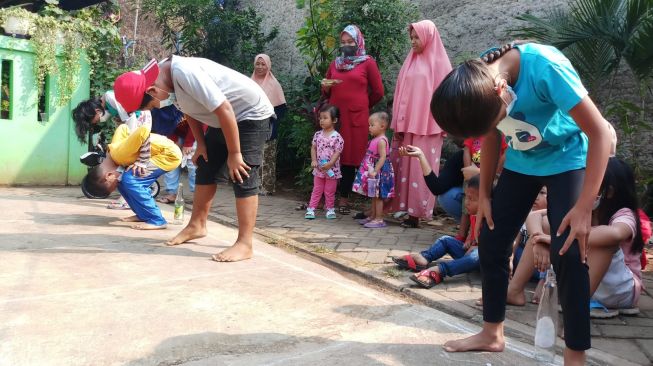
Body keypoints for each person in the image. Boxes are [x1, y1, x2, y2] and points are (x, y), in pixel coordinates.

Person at [430, 42, 612, 364]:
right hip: (522, 160)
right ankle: (492, 333)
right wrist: (484, 194)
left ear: (502, 89)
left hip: (567, 157)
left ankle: (574, 356)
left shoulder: (546, 69)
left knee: (568, 251)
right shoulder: (481, 78)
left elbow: (599, 132)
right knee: (491, 238)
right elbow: (492, 136)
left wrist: (584, 208)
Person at [114, 57, 274, 262]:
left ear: (152, 91)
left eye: (152, 107)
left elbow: (224, 108)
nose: (156, 109)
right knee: (205, 165)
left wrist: (234, 154)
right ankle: (196, 225)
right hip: (222, 118)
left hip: (250, 114)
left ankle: (245, 243)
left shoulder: (185, 74)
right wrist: (201, 144)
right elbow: (189, 109)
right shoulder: (165, 79)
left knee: (242, 173)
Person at [527, 158, 646, 317]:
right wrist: (538, 239)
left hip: (620, 290)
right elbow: (536, 216)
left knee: (605, 240)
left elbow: (616, 233)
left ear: (608, 192)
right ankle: (515, 289)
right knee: (551, 226)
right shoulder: (582, 209)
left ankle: (578, 307)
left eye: (589, 182)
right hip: (593, 283)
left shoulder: (624, 214)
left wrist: (556, 241)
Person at [389, 20, 452, 228]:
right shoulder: (411, 61)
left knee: (419, 167)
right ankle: (404, 209)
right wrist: (398, 121)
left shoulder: (440, 64)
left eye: (417, 37)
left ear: (428, 37)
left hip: (428, 126)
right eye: (412, 37)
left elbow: (447, 97)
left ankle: (417, 214)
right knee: (405, 164)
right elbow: (401, 93)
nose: (413, 41)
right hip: (408, 123)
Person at [322, 24, 384, 215]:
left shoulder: (368, 63)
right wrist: (325, 86)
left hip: (356, 118)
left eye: (350, 42)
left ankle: (344, 199)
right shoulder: (335, 63)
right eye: (343, 42)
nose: (346, 45)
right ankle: (327, 196)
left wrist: (364, 106)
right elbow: (326, 90)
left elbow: (379, 92)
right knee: (331, 154)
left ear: (358, 42)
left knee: (349, 158)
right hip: (335, 118)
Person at [82, 122, 181, 229]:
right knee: (122, 182)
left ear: (109, 176)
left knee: (131, 180)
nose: (115, 187)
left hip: (168, 155)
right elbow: (123, 128)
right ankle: (143, 215)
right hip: (160, 153)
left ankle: (157, 220)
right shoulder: (113, 153)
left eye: (112, 187)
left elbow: (143, 130)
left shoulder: (121, 154)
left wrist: (142, 161)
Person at [392, 174, 480, 287]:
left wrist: (478, 247)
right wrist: (469, 241)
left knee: (475, 256)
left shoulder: (493, 218)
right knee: (445, 240)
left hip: (481, 260)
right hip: (469, 254)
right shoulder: (473, 215)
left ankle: (440, 270)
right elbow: (474, 233)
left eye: (472, 199)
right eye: (466, 197)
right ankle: (424, 257)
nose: (467, 202)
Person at [251, 54, 287, 195]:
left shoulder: (274, 84)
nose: (260, 67)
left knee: (267, 158)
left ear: (268, 66)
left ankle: (266, 188)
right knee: (252, 157)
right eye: (257, 64)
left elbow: (282, 108)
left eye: (263, 64)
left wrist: (272, 122)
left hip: (268, 127)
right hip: (251, 127)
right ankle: (252, 187)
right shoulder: (250, 82)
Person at [351, 112, 395, 228]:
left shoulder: (381, 140)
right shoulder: (375, 139)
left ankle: (379, 219)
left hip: (379, 172)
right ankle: (373, 216)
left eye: (371, 125)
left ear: (382, 126)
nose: (369, 127)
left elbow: (383, 157)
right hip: (373, 171)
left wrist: (375, 171)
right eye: (369, 125)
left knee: (378, 196)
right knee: (374, 195)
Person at [305, 104, 344, 220]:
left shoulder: (338, 137)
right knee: (317, 189)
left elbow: (337, 152)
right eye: (320, 118)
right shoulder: (317, 135)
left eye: (325, 118)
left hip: (332, 170)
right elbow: (313, 148)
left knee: (329, 191)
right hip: (319, 170)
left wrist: (330, 164)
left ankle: (330, 209)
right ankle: (311, 209)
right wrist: (314, 160)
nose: (321, 120)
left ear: (334, 120)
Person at [157, 118, 201, 204]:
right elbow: (167, 123)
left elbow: (198, 123)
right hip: (175, 133)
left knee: (193, 164)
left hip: (196, 133)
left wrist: (188, 143)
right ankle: (171, 193)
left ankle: (198, 196)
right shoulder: (168, 108)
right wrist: (173, 139)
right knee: (171, 161)